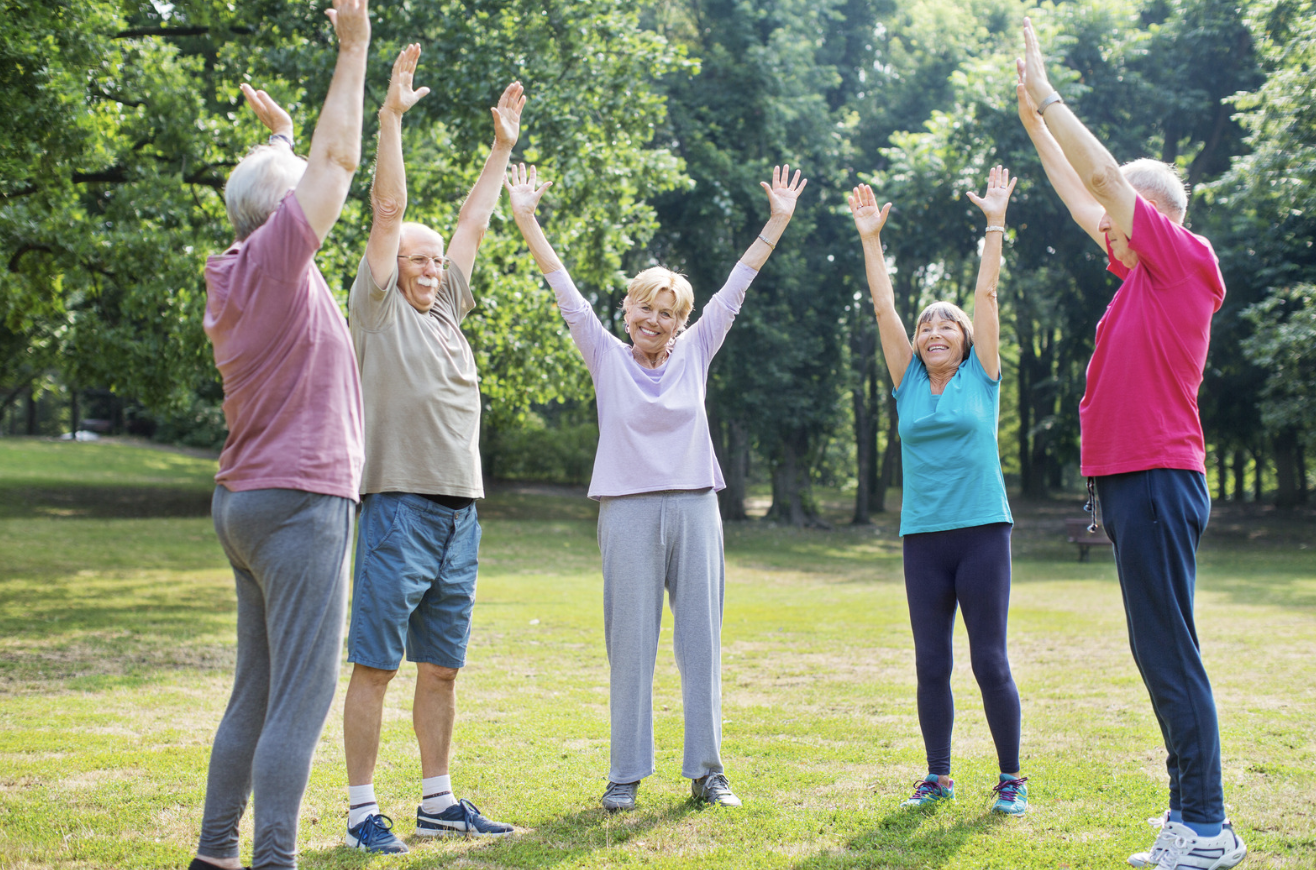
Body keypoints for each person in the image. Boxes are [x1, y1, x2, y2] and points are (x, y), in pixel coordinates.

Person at [505, 161, 805, 811]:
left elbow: (737, 284)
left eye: (669, 312)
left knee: (701, 644)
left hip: (696, 506)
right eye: (647, 307)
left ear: (681, 320)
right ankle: (624, 775)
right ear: (629, 308)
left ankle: (707, 771)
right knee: (631, 646)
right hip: (628, 513)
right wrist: (526, 217)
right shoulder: (603, 351)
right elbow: (561, 285)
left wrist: (776, 221)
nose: (656, 320)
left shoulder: (697, 349)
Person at [1017, 18, 1246, 869]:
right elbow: (1088, 195)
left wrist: (1050, 94)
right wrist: (1034, 126)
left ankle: (1206, 825)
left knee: (1169, 654)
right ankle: (1194, 812)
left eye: (1114, 223)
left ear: (1143, 218)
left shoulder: (1181, 262)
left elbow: (1105, 181)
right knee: (1159, 652)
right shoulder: (1142, 273)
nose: (1098, 236)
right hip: (1134, 482)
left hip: (1155, 478)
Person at [193, 1, 369, 868]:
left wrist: (282, 136)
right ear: (285, 216)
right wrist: (353, 49)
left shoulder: (241, 274)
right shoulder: (271, 265)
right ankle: (272, 860)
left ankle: (216, 852)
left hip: (245, 501)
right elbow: (336, 162)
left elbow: (279, 192)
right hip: (300, 502)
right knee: (299, 698)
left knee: (256, 691)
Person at [338, 44, 523, 853]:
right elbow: (388, 211)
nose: (424, 267)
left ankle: (439, 800)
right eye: (412, 259)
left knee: (442, 667)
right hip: (396, 507)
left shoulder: (447, 307)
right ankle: (359, 810)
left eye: (428, 259)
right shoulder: (377, 308)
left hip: (460, 513)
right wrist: (389, 119)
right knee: (377, 665)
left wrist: (502, 148)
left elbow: (472, 222)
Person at [848, 167, 1029, 815]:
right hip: (923, 538)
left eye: (945, 326)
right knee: (931, 663)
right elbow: (884, 308)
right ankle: (939, 775)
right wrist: (872, 239)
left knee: (990, 661)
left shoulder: (983, 376)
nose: (932, 333)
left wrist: (995, 221)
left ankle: (1011, 778)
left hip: (982, 532)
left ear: (967, 339)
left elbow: (986, 291)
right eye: (927, 328)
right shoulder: (907, 382)